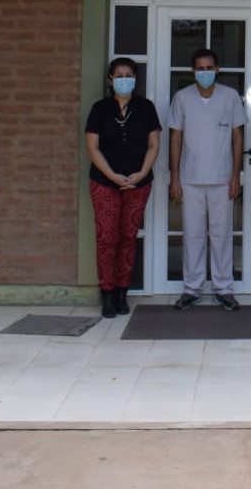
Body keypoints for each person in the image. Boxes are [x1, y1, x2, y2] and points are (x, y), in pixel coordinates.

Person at [167, 48, 247, 311]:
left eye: (209, 67)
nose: (205, 72)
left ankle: (224, 288)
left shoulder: (230, 96)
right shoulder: (182, 98)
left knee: (222, 234)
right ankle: (192, 288)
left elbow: (237, 137)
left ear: (217, 68)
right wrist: (175, 177)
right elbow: (175, 138)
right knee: (192, 235)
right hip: (190, 178)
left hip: (222, 177)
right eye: (200, 68)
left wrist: (236, 174)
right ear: (193, 71)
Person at [84, 57, 162, 319]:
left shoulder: (146, 107)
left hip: (139, 183)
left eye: (129, 75)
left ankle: (121, 293)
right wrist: (113, 176)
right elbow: (92, 147)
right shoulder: (100, 109)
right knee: (107, 238)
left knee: (129, 237)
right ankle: (106, 294)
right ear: (110, 79)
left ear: (135, 78)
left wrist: (140, 173)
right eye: (119, 75)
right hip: (105, 182)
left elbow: (153, 144)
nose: (124, 79)